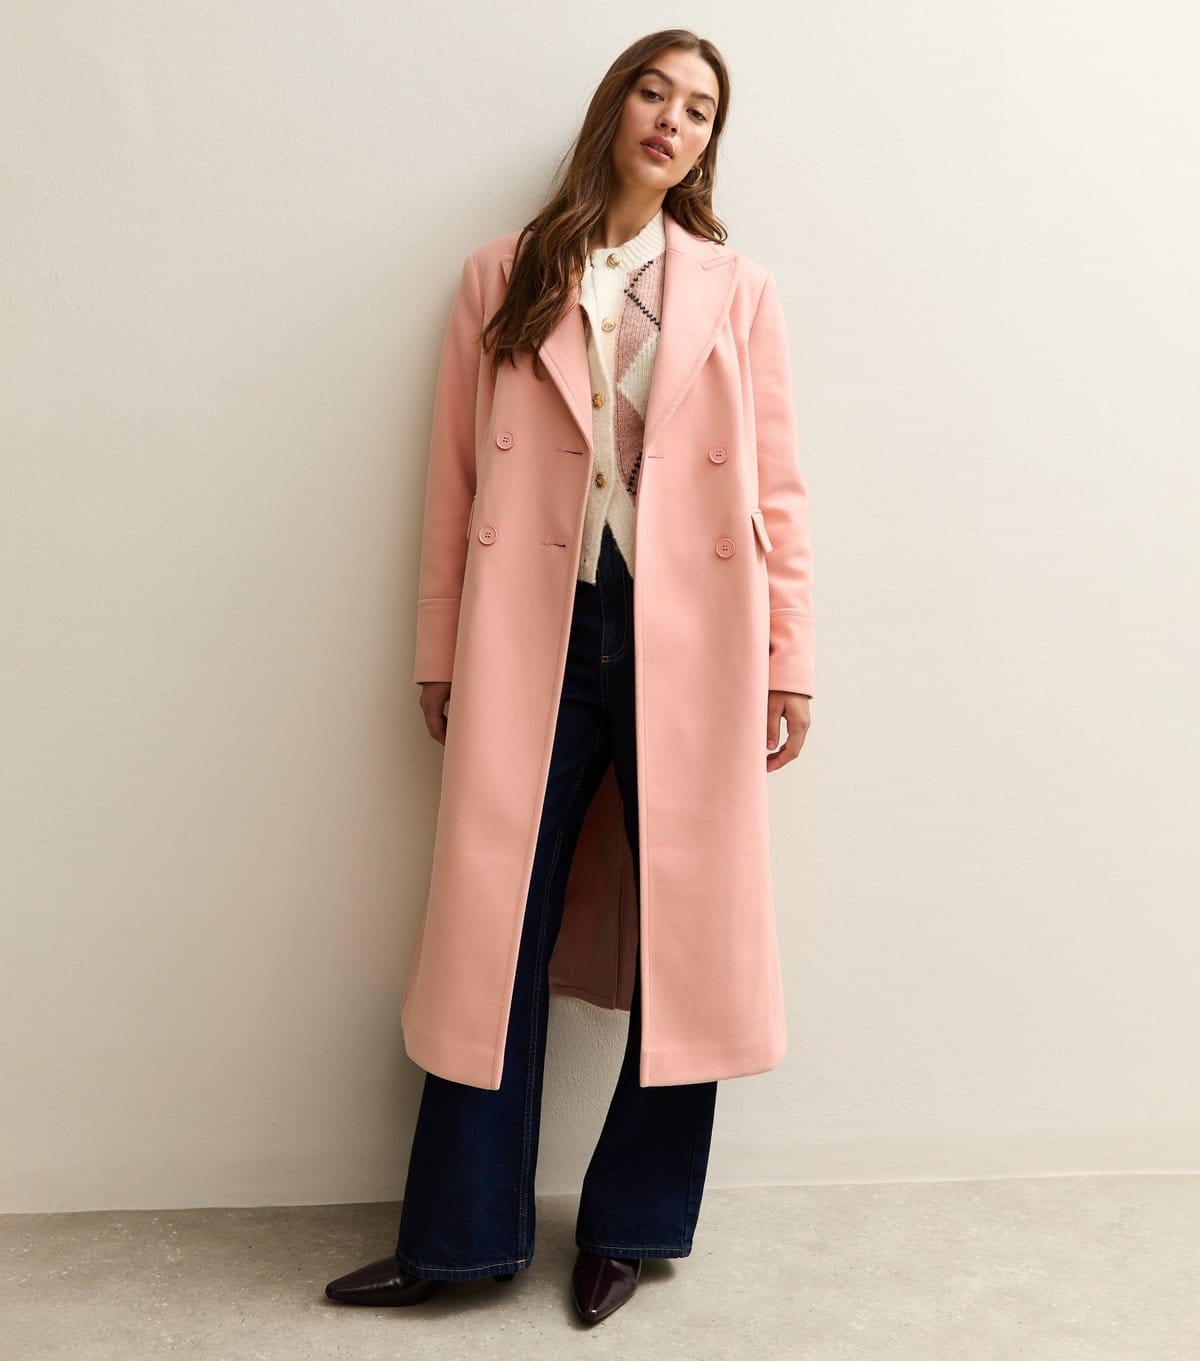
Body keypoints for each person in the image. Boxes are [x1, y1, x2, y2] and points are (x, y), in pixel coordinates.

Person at [325, 28, 814, 1327]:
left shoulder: (738, 290)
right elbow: (453, 480)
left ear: (707, 148)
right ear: (615, 106)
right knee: (489, 927)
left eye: (700, 110)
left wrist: (789, 659)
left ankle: (634, 1226)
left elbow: (777, 489)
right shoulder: (504, 273)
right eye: (656, 91)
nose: (673, 120)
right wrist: (440, 646)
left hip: (694, 640)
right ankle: (456, 1237)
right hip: (535, 630)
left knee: (693, 934)